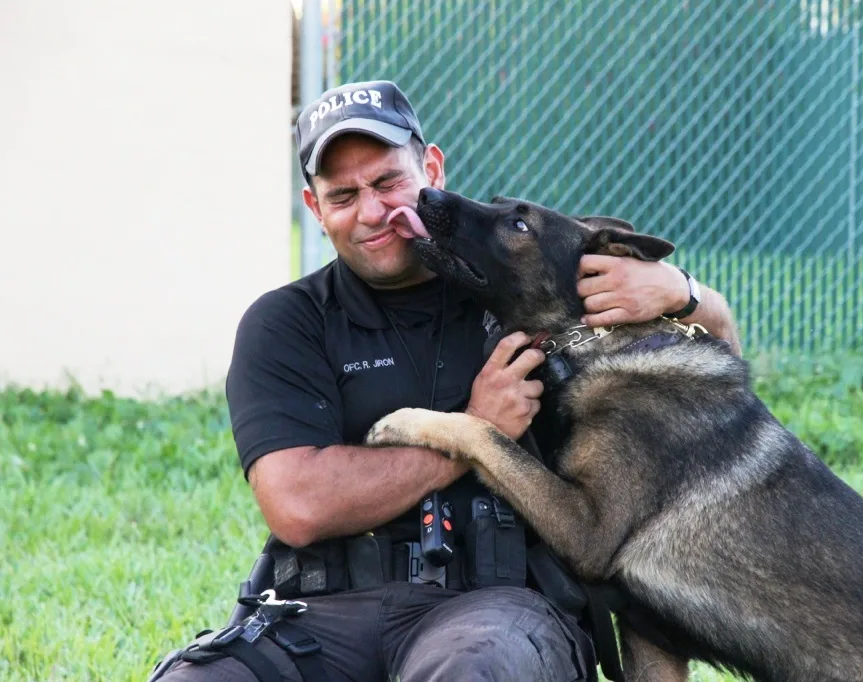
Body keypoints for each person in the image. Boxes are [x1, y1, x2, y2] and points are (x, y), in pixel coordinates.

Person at [155, 80, 741, 682]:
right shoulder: (287, 322)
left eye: (387, 182)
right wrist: (477, 434)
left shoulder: (526, 289)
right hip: (319, 616)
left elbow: (709, 405)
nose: (372, 212)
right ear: (315, 208)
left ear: (431, 166)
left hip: (492, 609)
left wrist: (693, 297)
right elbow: (298, 504)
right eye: (344, 195)